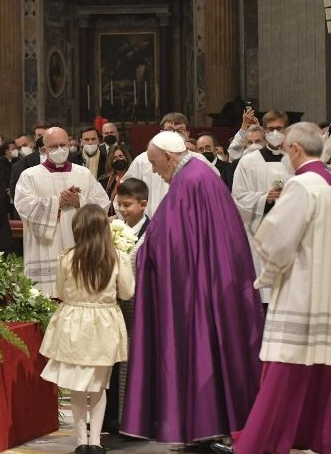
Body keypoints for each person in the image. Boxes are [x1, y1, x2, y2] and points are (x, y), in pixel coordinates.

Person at [122, 132, 263, 447]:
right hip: (211, 281)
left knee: (203, 352)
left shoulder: (189, 180)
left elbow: (166, 238)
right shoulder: (199, 175)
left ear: (170, 158)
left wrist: (137, 253)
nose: (156, 172)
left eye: (157, 165)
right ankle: (208, 426)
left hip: (201, 287)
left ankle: (212, 427)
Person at [229, 122, 331, 454]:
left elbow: (275, 240)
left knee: (282, 374)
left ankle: (261, 444)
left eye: (286, 148)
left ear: (296, 150)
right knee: (328, 375)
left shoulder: (302, 186)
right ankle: (327, 440)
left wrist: (265, 276)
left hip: (302, 295)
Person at [39, 204, 134, 454]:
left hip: (74, 321)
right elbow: (127, 291)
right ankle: (96, 443)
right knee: (99, 385)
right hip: (104, 323)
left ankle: (81, 442)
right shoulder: (117, 257)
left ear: (78, 229)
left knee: (77, 385)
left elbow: (59, 292)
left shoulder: (67, 257)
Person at [14, 127, 109, 297]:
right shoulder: (29, 176)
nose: (60, 150)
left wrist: (79, 201)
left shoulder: (83, 174)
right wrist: (58, 202)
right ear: (43, 149)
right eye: (54, 146)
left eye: (63, 145)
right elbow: (24, 206)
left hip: (78, 244)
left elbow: (102, 205)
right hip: (45, 247)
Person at [231, 110, 293, 306]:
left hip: (288, 234)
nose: (275, 132)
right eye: (270, 129)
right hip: (257, 233)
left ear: (286, 130)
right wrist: (266, 198)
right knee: (261, 294)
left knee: (286, 292)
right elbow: (238, 198)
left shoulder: (294, 161)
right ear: (264, 131)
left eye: (279, 129)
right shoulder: (248, 161)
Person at [109, 178, 149, 433]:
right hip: (115, 304)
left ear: (143, 204)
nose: (122, 210)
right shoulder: (114, 228)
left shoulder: (153, 231)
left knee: (136, 361)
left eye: (128, 205)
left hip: (142, 305)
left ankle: (137, 417)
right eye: (119, 204)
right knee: (115, 361)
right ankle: (114, 416)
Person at [120, 113, 195, 216]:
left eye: (180, 131)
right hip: (151, 225)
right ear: (161, 133)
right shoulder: (143, 160)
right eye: (169, 130)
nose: (174, 135)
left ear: (187, 134)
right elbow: (125, 192)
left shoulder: (198, 161)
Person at [98, 145, 131, 214]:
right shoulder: (104, 180)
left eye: (121, 156)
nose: (118, 159)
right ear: (111, 161)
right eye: (114, 158)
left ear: (126, 158)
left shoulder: (132, 177)